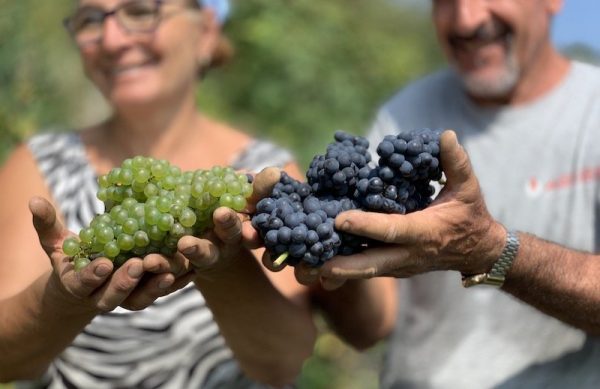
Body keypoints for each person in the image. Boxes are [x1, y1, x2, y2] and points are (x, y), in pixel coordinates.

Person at [0, 1, 318, 388]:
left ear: (205, 32)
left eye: (139, 11)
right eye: (90, 20)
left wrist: (225, 268)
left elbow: (284, 363)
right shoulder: (37, 163)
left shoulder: (263, 177)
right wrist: (60, 303)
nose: (112, 39)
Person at [294, 0, 600, 387]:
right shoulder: (404, 114)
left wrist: (491, 251)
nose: (466, 19)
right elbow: (370, 328)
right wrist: (330, 251)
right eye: (445, 1)